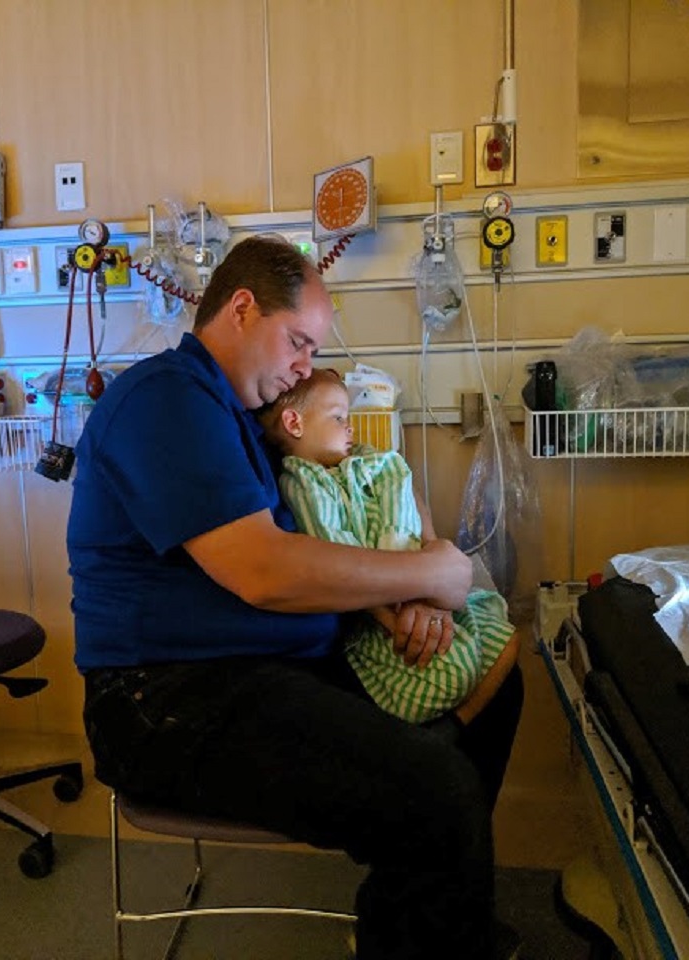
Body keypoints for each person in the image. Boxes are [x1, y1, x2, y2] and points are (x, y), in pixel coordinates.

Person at [67, 234, 524, 960]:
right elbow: (267, 571)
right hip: (167, 697)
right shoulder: (166, 400)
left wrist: (408, 599)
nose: (306, 368)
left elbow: (329, 533)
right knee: (434, 792)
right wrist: (426, 577)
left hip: (270, 668)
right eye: (300, 343)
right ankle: (433, 875)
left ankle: (433, 905)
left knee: (497, 680)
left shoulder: (237, 420)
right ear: (243, 308)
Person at [259, 367, 520, 726]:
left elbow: (401, 483)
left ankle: (454, 729)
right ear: (294, 423)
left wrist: (429, 589)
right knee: (454, 672)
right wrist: (398, 613)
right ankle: (446, 733)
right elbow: (336, 551)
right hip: (381, 611)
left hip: (422, 583)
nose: (349, 427)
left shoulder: (360, 460)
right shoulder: (305, 482)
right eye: (338, 418)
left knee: (508, 642)